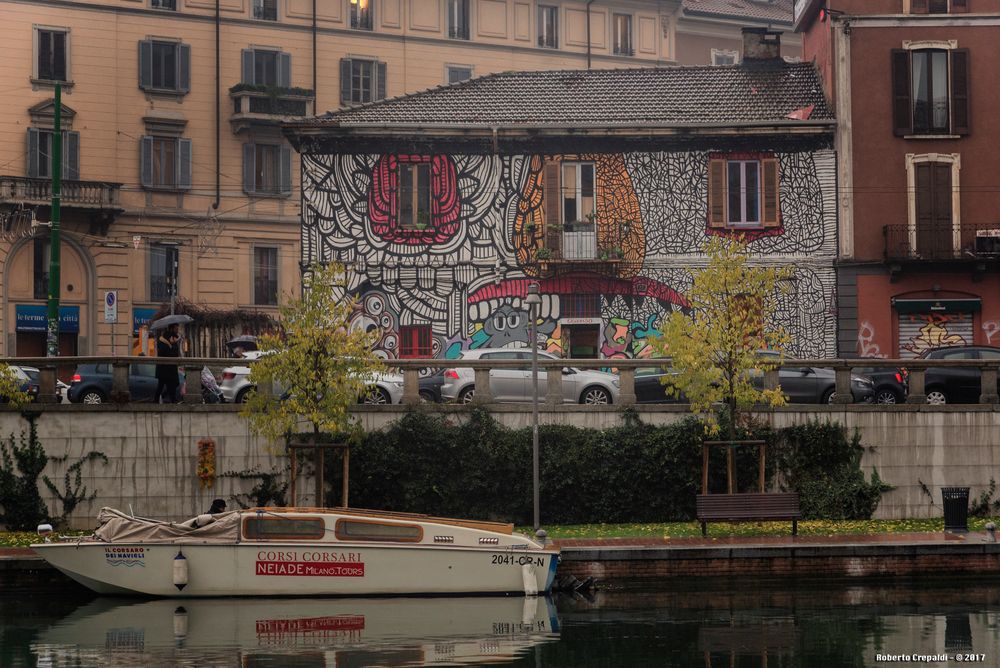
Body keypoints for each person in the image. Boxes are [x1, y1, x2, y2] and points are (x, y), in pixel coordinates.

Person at [155, 323, 181, 403]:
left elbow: (175, 354)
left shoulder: (173, 337)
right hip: (165, 368)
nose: (177, 330)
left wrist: (175, 343)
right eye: (176, 328)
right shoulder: (164, 339)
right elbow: (164, 353)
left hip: (169, 367)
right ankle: (169, 400)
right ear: (171, 329)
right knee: (166, 384)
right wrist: (173, 345)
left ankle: (165, 398)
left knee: (173, 383)